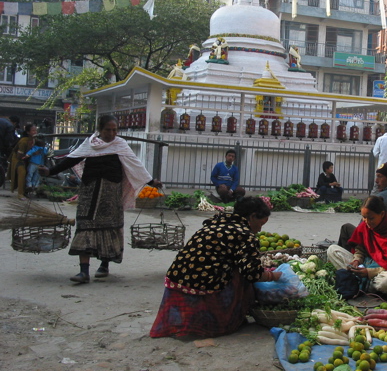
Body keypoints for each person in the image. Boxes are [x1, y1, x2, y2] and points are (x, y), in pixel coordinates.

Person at [39, 115, 162, 284]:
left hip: (111, 194)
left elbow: (135, 165)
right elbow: (71, 160)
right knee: (84, 226)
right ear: (100, 129)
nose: (111, 133)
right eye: (108, 130)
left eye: (114, 130)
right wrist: (50, 171)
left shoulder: (120, 145)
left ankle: (104, 265)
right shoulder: (89, 145)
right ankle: (83, 271)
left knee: (109, 227)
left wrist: (151, 181)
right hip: (89, 192)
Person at [150, 196, 282, 338]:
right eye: (261, 224)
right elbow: (252, 273)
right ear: (252, 216)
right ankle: (226, 319)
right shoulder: (245, 235)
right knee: (242, 277)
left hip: (176, 278)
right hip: (200, 284)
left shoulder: (216, 222)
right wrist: (274, 276)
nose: (259, 229)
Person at [327, 196, 387, 301]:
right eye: (364, 217)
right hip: (366, 265)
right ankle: (361, 283)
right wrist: (356, 260)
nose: (367, 221)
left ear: (382, 214)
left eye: (371, 218)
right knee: (332, 250)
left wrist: (369, 272)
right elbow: (360, 249)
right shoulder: (365, 226)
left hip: (384, 272)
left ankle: (362, 285)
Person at [9, 123, 37, 200]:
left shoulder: (34, 139)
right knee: (22, 173)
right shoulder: (23, 141)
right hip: (18, 159)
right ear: (28, 132)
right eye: (33, 130)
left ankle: (25, 192)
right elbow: (19, 156)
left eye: (36, 130)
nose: (35, 132)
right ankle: (20, 194)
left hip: (26, 159)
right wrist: (30, 155)